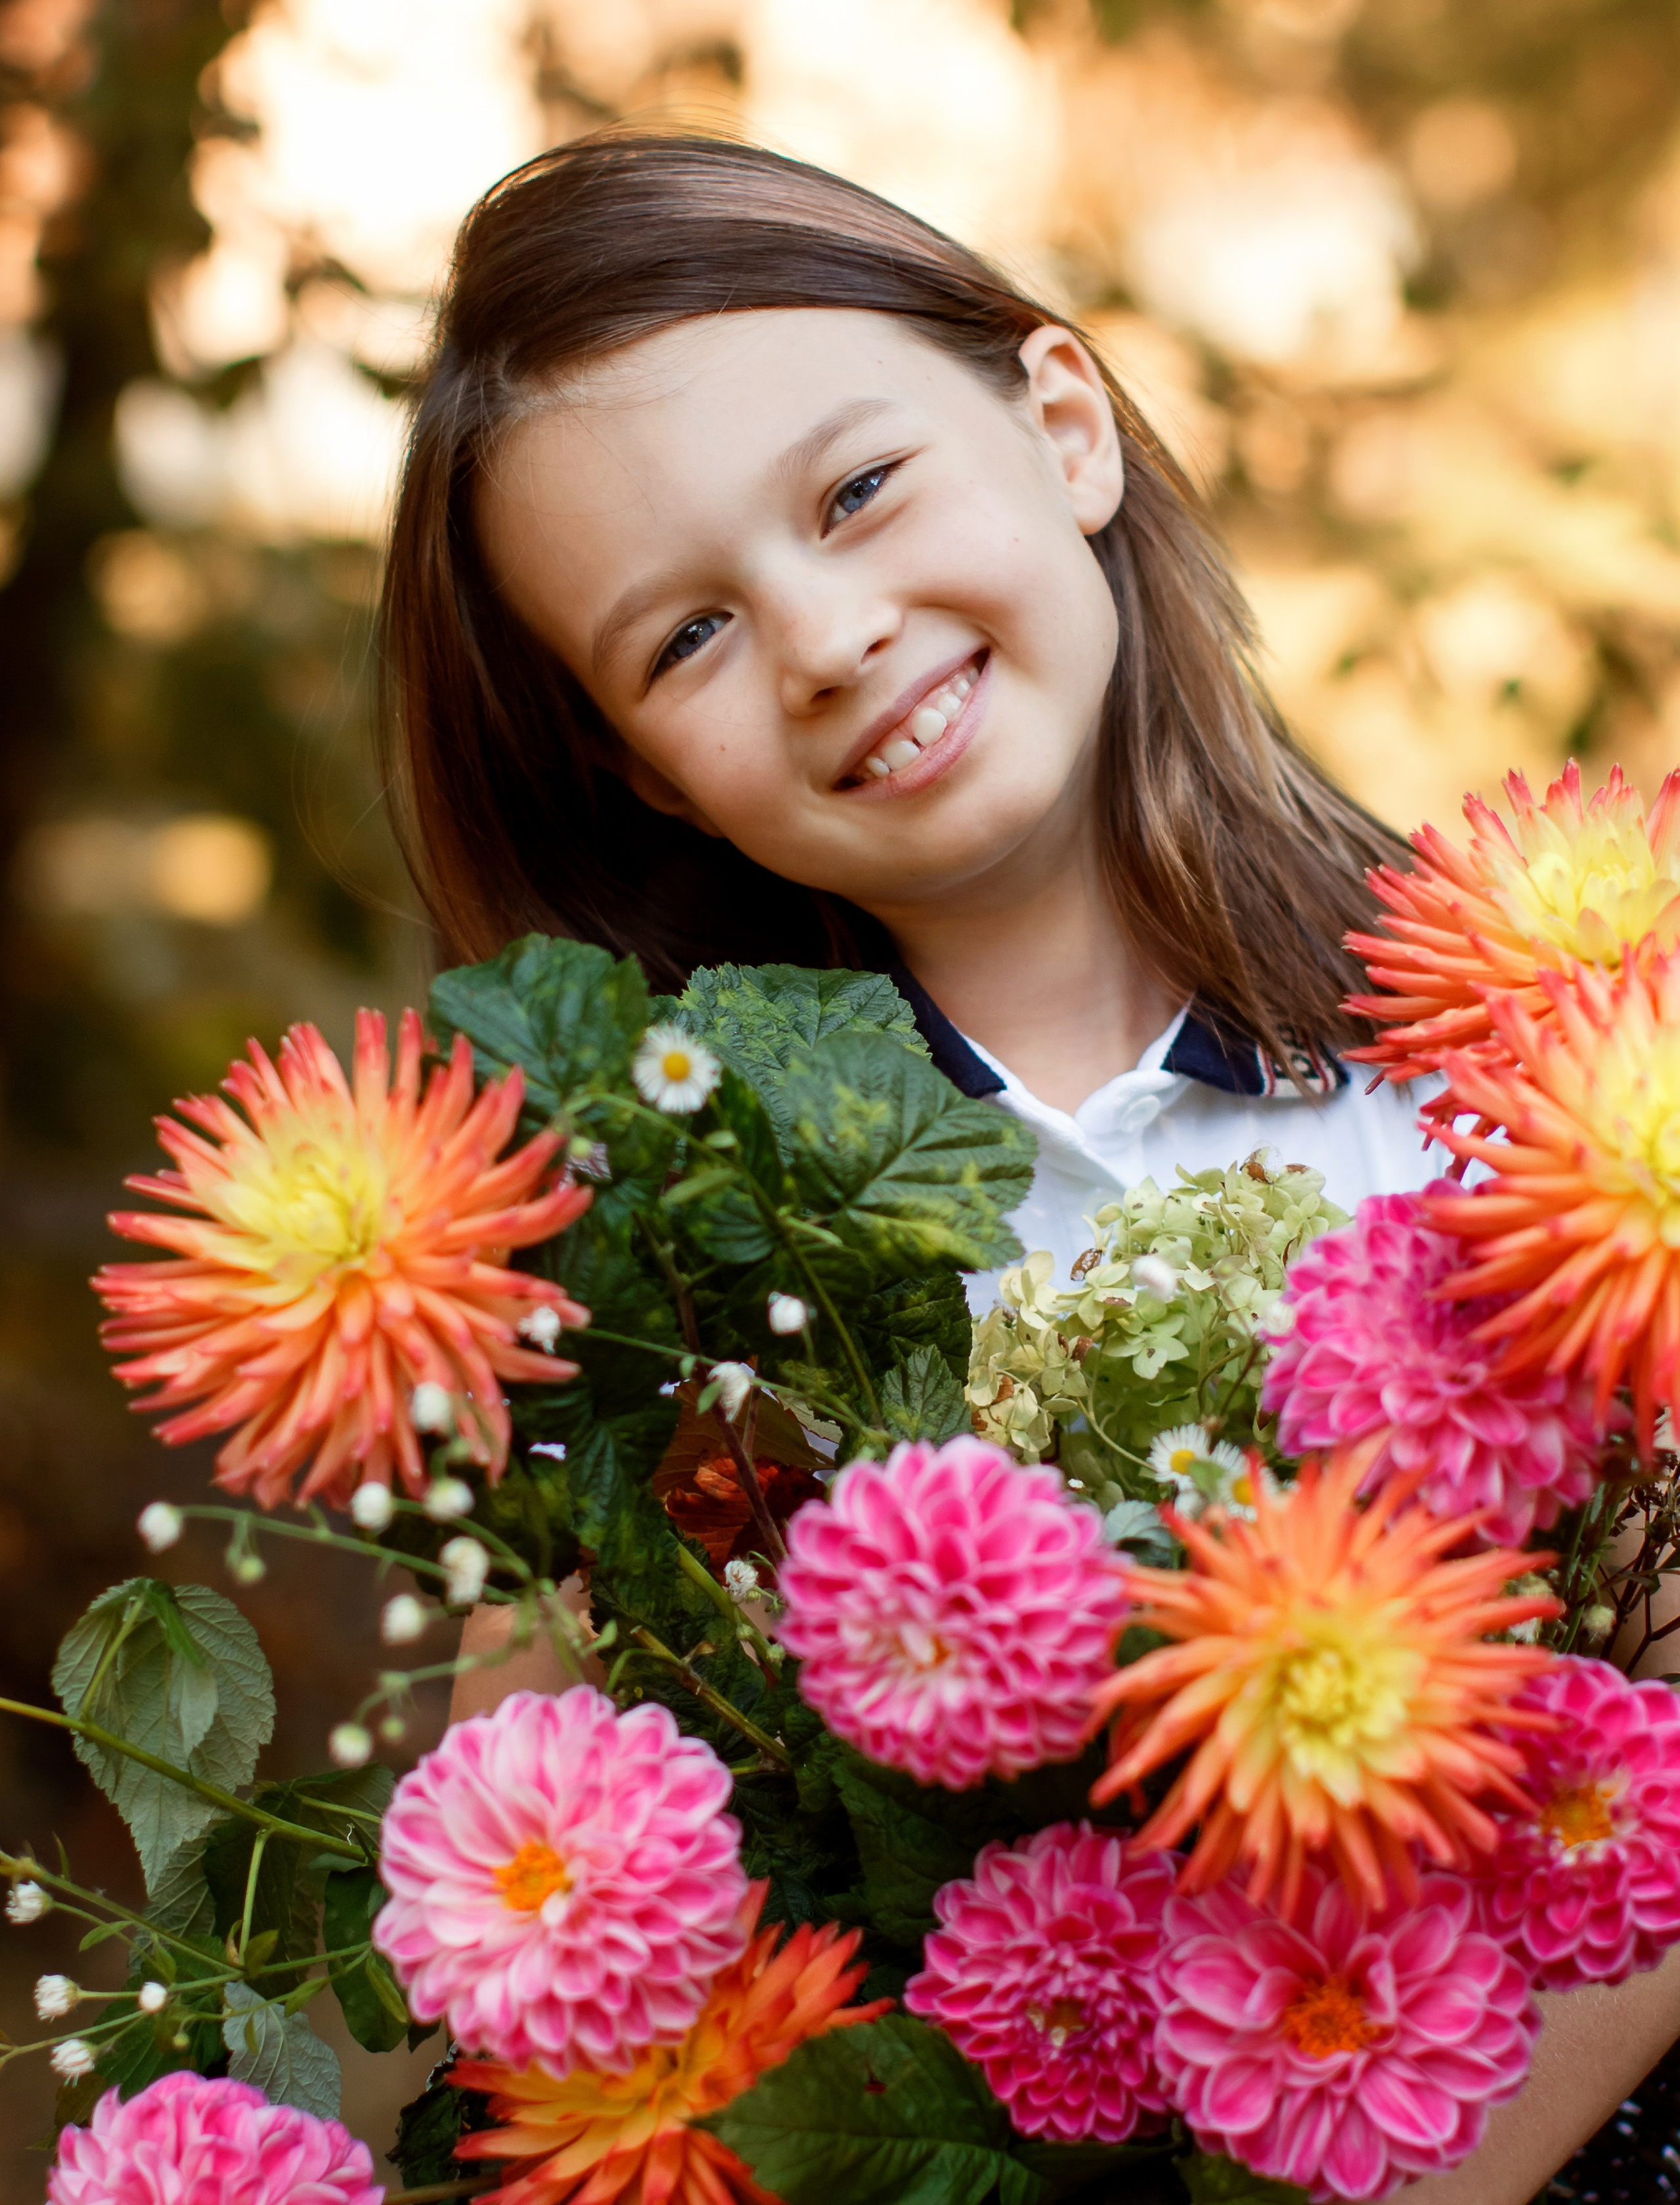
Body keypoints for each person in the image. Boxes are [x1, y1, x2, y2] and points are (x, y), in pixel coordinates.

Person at [377, 129, 1680, 2201]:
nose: (824, 637)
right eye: (686, 636)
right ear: (642, 775)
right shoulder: (681, 1302)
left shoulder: (1545, 1073)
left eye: (855, 492)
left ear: (1062, 424)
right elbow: (525, 1937)